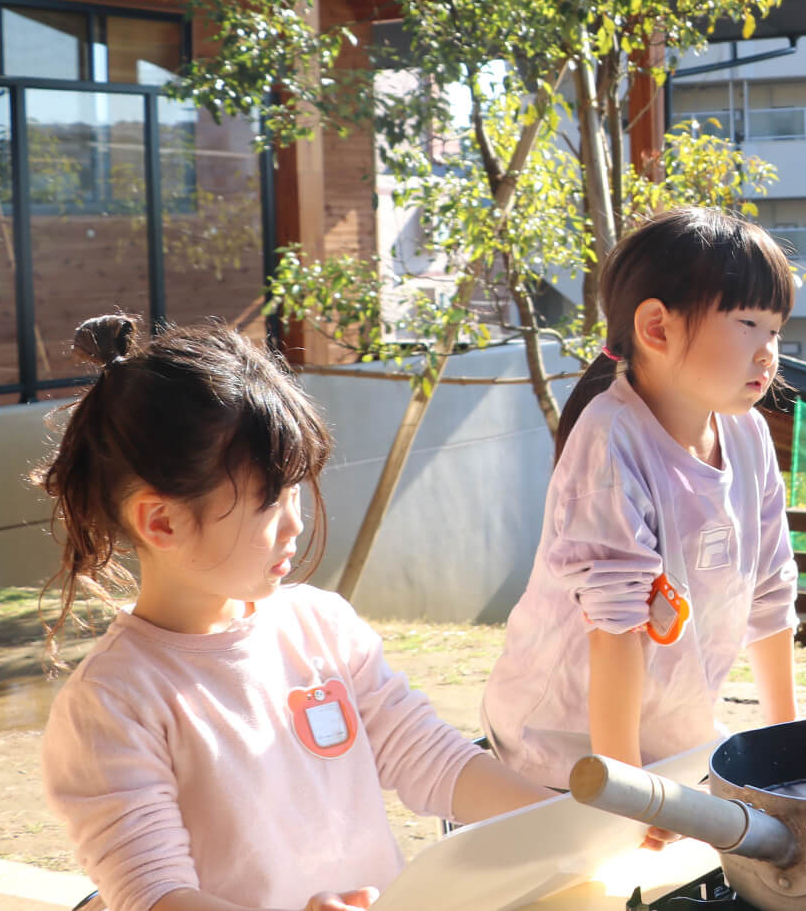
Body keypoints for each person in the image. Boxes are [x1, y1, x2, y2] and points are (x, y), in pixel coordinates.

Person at [37, 316, 551, 911]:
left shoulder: (322, 628)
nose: (296, 523)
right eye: (270, 500)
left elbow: (430, 759)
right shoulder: (114, 704)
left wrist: (576, 817)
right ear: (163, 522)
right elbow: (153, 895)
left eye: (298, 490)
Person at [480, 207, 800, 814]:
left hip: (666, 742)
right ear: (657, 327)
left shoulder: (751, 435)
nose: (768, 353)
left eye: (776, 331)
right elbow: (616, 628)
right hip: (562, 756)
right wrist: (628, 793)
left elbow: (769, 591)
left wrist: (788, 746)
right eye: (748, 323)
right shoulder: (611, 438)